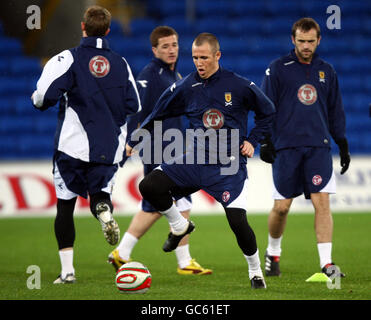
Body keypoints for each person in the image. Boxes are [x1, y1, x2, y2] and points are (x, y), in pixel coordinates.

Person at [127, 33, 276, 289]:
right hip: (194, 161)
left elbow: (268, 112)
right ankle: (179, 224)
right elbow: (158, 112)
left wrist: (253, 139)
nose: (199, 63)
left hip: (228, 167)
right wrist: (135, 139)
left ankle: (255, 271)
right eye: (195, 57)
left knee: (238, 223)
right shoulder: (186, 86)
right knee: (150, 186)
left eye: (204, 57)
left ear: (217, 56)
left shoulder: (239, 85)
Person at [31, 5, 141, 284]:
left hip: (73, 147)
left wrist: (38, 99)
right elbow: (134, 104)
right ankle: (103, 210)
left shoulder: (67, 58)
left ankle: (68, 272)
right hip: (109, 147)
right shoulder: (121, 63)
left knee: (65, 206)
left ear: (83, 28)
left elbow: (44, 97)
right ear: (108, 30)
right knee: (100, 195)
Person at [108, 26, 212, 275]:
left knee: (159, 205)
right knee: (178, 201)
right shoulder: (151, 75)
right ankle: (184, 262)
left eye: (174, 45)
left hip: (172, 146)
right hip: (158, 147)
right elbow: (139, 112)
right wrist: (134, 141)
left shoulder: (173, 76)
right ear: (154, 49)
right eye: (165, 46)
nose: (171, 50)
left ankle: (122, 253)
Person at [261, 17, 350, 278]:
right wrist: (265, 140)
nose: (306, 46)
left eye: (311, 41)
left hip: (318, 147)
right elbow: (265, 107)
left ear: (318, 40)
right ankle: (272, 252)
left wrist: (341, 142)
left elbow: (335, 110)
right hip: (286, 147)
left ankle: (327, 264)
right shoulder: (277, 68)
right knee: (282, 207)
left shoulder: (327, 71)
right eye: (301, 41)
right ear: (293, 40)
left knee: (322, 203)